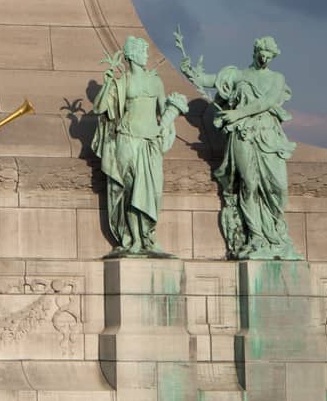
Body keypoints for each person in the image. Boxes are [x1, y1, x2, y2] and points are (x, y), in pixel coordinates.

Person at [179, 33, 301, 259]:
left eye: (269, 55)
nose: (265, 58)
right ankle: (255, 236)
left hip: (269, 137)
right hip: (243, 135)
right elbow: (207, 80)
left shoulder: (277, 78)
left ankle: (276, 233)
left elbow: (267, 102)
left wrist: (237, 113)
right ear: (255, 53)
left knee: (279, 187)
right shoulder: (238, 75)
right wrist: (190, 72)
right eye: (262, 53)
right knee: (249, 185)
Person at [92, 36, 188, 256]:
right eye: (143, 52)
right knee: (130, 191)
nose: (147, 55)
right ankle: (135, 239)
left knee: (151, 193)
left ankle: (148, 236)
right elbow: (100, 108)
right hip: (127, 138)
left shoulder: (156, 81)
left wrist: (172, 114)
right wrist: (107, 84)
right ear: (133, 55)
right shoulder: (122, 81)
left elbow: (164, 110)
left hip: (149, 141)